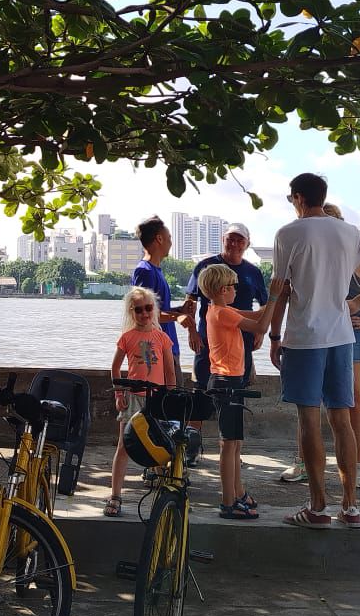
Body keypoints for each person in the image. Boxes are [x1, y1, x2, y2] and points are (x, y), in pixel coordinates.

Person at [268, 173, 360, 530]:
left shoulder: (288, 233)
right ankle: (351, 507)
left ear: (298, 198)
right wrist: (356, 304)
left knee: (309, 421)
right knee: (342, 420)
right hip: (342, 337)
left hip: (304, 338)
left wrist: (273, 335)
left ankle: (317, 507)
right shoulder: (349, 232)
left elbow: (279, 289)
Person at [197, 262, 283, 520]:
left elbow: (256, 316)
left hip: (230, 381)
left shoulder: (221, 309)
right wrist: (275, 296)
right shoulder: (221, 313)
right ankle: (227, 501)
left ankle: (237, 492)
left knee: (235, 444)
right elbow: (260, 328)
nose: (237, 290)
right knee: (228, 445)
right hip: (225, 383)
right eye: (234, 287)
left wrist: (280, 298)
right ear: (223, 289)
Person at [105, 286, 177, 517]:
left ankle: (164, 493)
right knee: (123, 446)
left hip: (156, 399)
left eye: (148, 308)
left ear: (154, 309)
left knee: (161, 446)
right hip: (133, 398)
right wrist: (119, 394)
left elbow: (169, 370)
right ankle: (115, 495)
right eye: (139, 310)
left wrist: (170, 395)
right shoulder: (127, 337)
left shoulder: (162, 337)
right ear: (131, 311)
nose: (144, 314)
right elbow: (116, 367)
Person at [187, 222, 268, 389]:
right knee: (202, 388)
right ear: (223, 239)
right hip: (208, 340)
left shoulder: (253, 272)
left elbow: (263, 305)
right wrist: (192, 331)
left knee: (236, 391)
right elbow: (190, 302)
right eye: (230, 239)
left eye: (240, 241)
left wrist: (260, 334)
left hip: (241, 339)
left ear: (247, 244)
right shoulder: (205, 267)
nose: (235, 244)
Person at [130, 216, 195, 380]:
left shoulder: (155, 270)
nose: (171, 243)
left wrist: (180, 310)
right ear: (159, 239)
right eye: (169, 238)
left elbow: (158, 311)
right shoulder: (145, 271)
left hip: (167, 346)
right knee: (165, 402)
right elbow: (144, 316)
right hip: (154, 351)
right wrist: (177, 317)